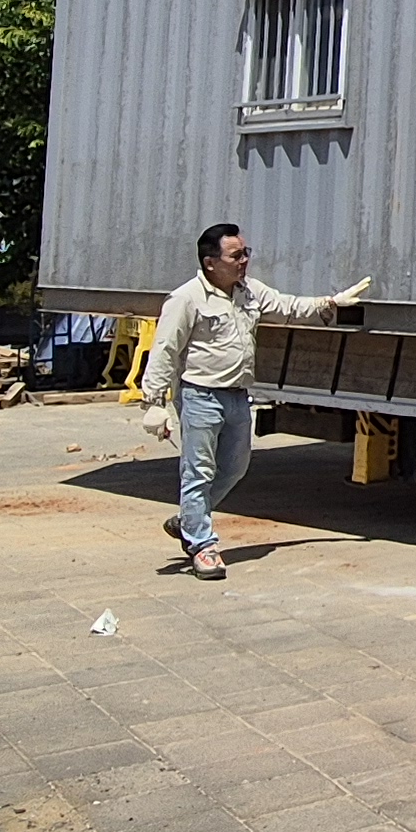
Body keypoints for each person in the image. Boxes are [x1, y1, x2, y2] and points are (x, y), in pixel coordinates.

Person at [139, 222, 369, 579]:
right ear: (210, 262)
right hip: (200, 396)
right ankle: (202, 546)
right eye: (236, 255)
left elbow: (288, 306)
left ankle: (188, 520)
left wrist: (330, 303)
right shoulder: (186, 299)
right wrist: (154, 402)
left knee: (235, 467)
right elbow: (166, 349)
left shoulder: (250, 291)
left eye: (246, 253)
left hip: (237, 396)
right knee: (199, 472)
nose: (244, 260)